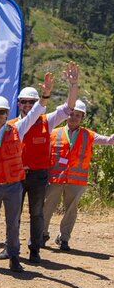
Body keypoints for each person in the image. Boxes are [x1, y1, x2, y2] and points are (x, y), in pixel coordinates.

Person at [0, 81, 51, 273]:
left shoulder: (18, 129)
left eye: (1, 112)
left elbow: (35, 112)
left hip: (13, 185)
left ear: (7, 113)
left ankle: (14, 257)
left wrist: (45, 95)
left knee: (12, 223)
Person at [9, 66, 78, 262]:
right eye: (24, 102)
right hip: (17, 175)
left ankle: (35, 249)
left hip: (38, 175)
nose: (28, 105)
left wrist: (73, 85)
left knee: (37, 214)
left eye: (31, 102)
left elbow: (69, 107)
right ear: (19, 103)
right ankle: (10, 246)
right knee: (13, 214)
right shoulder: (13, 125)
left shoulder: (46, 121)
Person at [43, 99, 114, 251]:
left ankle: (64, 239)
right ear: (66, 115)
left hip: (76, 181)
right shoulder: (54, 133)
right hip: (55, 178)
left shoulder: (88, 135)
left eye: (78, 115)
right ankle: (41, 235)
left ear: (83, 118)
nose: (74, 117)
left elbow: (109, 140)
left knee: (71, 211)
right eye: (72, 114)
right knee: (46, 207)